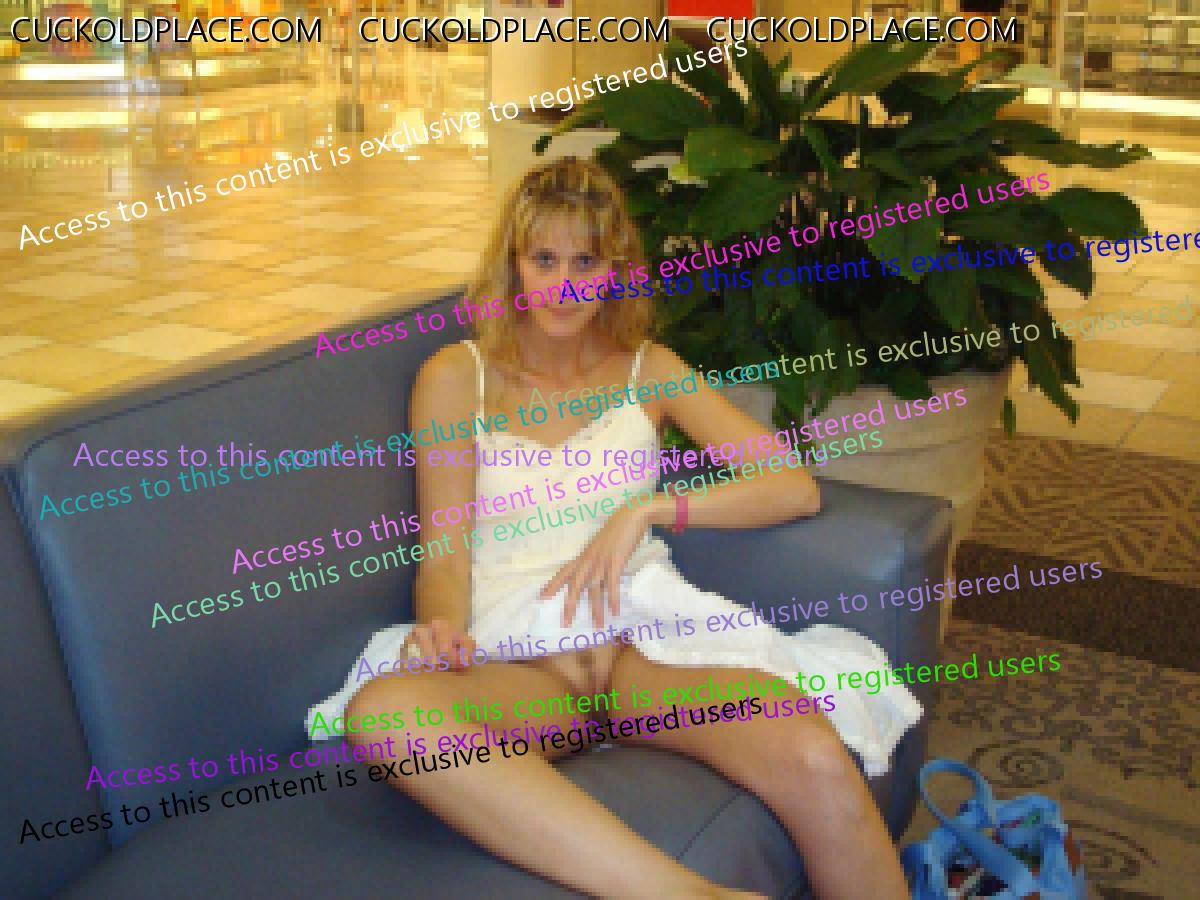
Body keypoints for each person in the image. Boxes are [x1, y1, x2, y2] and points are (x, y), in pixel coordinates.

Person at [308, 157, 920, 899]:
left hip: (643, 651)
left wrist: (650, 510)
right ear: (513, 263)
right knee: (387, 716)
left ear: (615, 269)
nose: (564, 286)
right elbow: (444, 555)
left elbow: (792, 487)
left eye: (586, 262)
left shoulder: (648, 370)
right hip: (523, 666)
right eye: (544, 259)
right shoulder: (455, 377)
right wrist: (441, 631)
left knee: (816, 759)